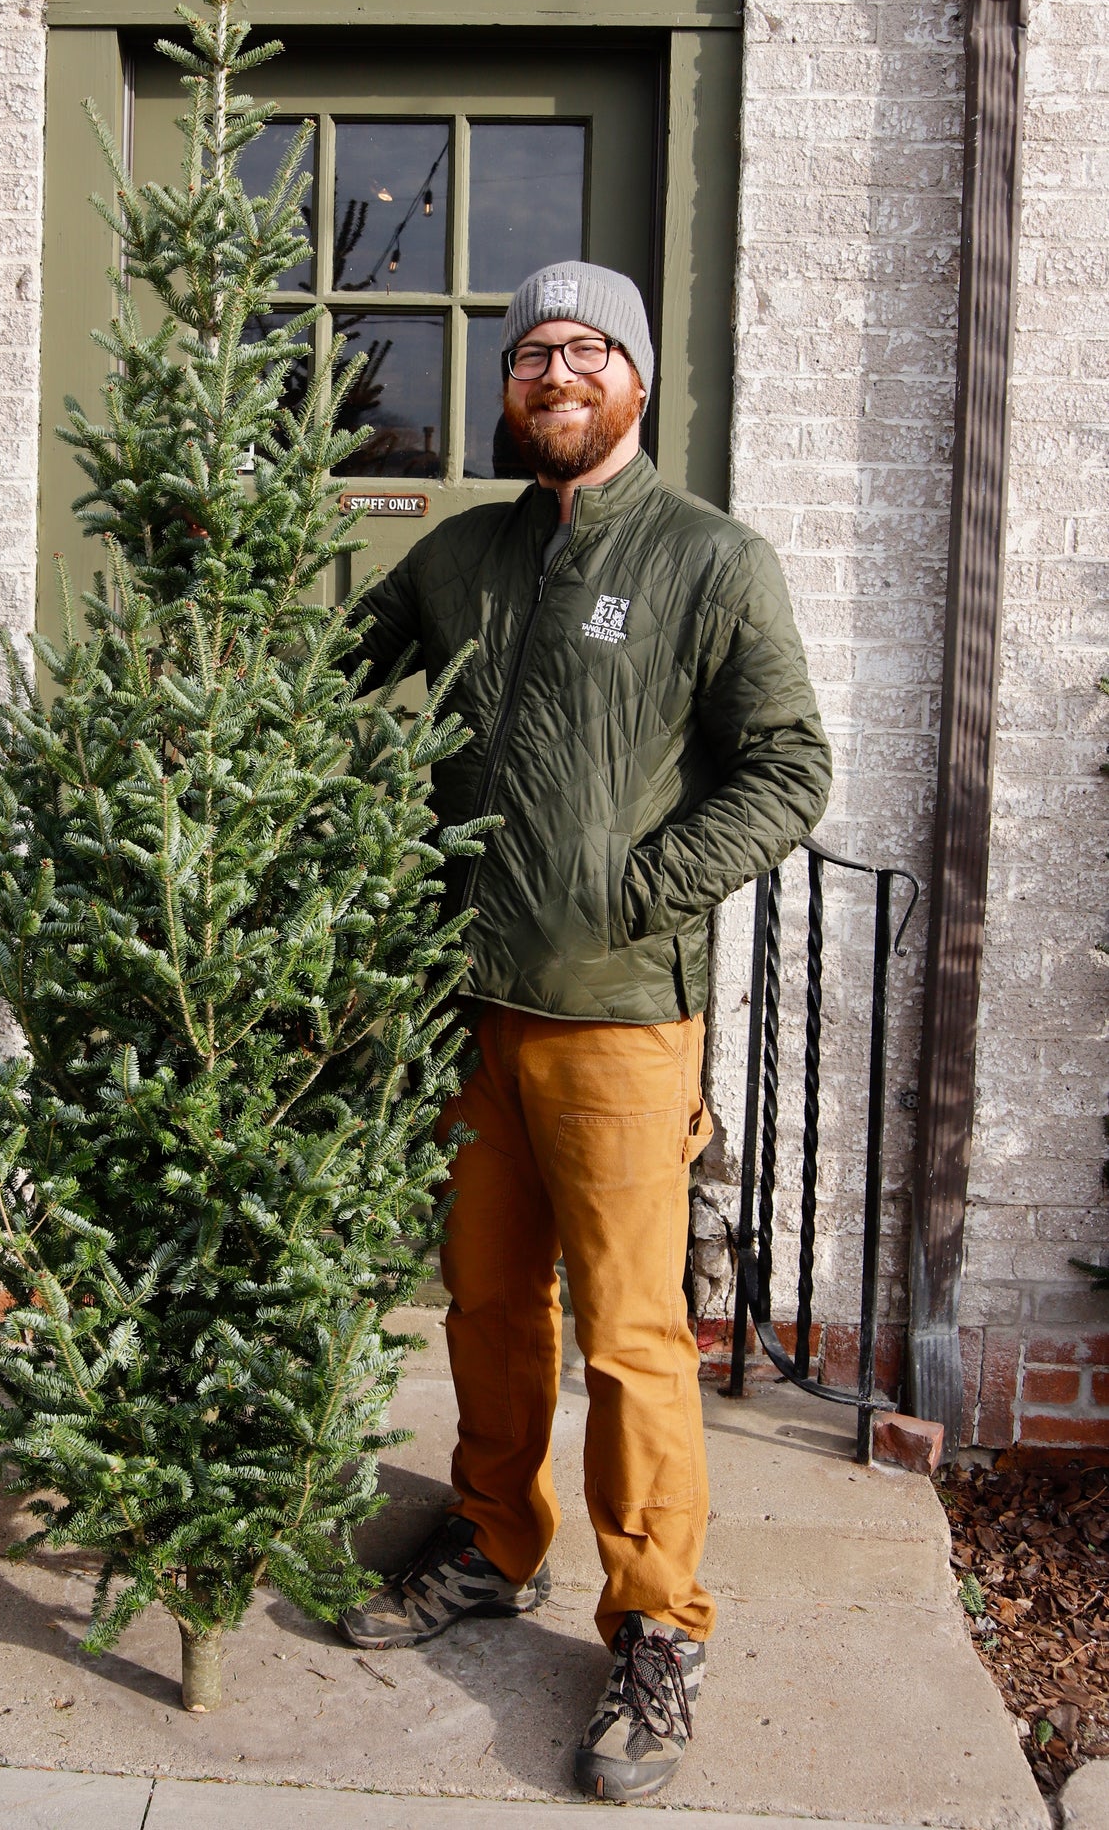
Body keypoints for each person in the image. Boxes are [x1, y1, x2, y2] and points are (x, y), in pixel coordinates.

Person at [337, 262, 832, 1803]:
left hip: (621, 1022)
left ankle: (656, 1629)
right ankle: (492, 1542)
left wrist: (638, 891)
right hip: (469, 1009)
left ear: (631, 378)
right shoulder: (463, 554)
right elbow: (332, 683)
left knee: (627, 1344)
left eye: (581, 349)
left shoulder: (709, 560)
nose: (551, 373)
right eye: (529, 352)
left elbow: (788, 770)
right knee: (483, 1306)